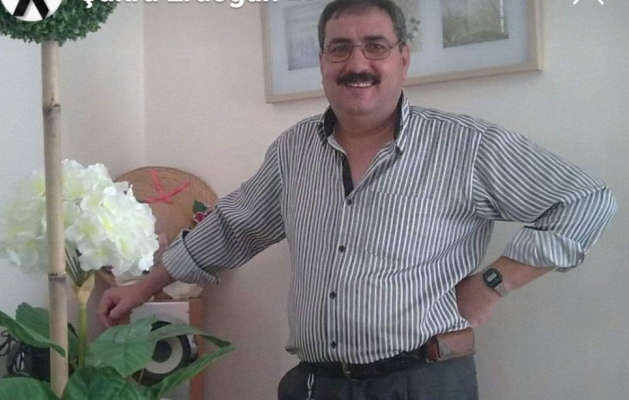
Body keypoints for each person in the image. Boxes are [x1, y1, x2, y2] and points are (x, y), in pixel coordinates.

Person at [99, 0, 617, 398]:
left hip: (423, 382)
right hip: (316, 384)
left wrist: (493, 284)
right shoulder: (294, 150)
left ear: (403, 58)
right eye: (340, 48)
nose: (357, 63)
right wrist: (143, 288)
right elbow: (233, 226)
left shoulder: (467, 146)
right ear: (323, 61)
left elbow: (585, 200)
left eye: (375, 46)